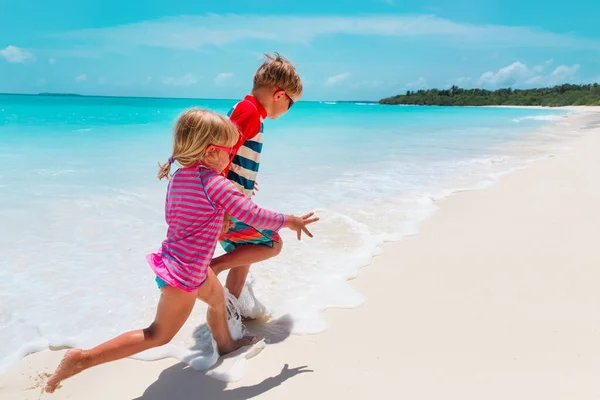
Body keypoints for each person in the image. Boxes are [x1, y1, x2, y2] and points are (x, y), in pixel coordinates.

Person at [45, 108, 318, 393]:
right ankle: (82, 360)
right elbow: (253, 215)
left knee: (216, 301)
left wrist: (215, 218)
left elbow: (176, 215)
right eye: (230, 151)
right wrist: (290, 220)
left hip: (182, 264)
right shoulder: (215, 183)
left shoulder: (179, 176)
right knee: (157, 334)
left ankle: (226, 345)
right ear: (212, 152)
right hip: (185, 276)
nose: (231, 157)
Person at [211, 53, 303, 302]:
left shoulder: (248, 110)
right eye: (291, 103)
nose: (288, 109)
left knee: (246, 255)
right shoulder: (249, 113)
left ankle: (231, 314)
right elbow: (220, 155)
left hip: (231, 199)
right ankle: (213, 268)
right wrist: (225, 210)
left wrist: (244, 176)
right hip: (229, 205)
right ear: (279, 95)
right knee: (271, 244)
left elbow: (231, 155)